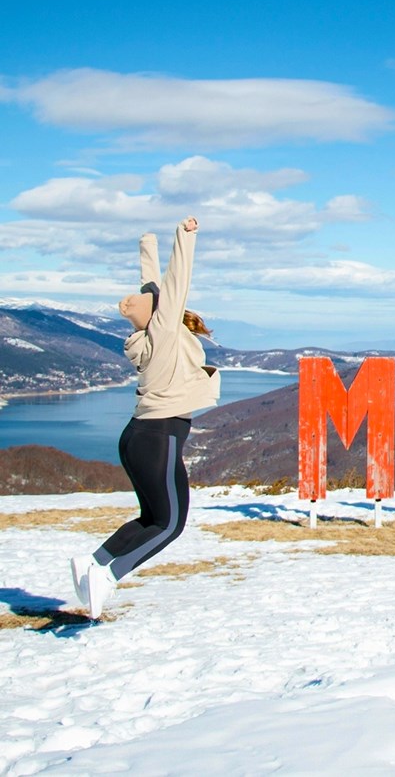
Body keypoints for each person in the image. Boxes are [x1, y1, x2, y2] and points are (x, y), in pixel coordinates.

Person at [71, 216, 221, 619]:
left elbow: (151, 288)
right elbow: (174, 283)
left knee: (152, 517)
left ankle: (94, 563)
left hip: (139, 437)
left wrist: (147, 246)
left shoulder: (145, 338)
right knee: (169, 524)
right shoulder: (166, 332)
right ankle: (109, 574)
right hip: (160, 436)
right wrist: (185, 237)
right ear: (160, 314)